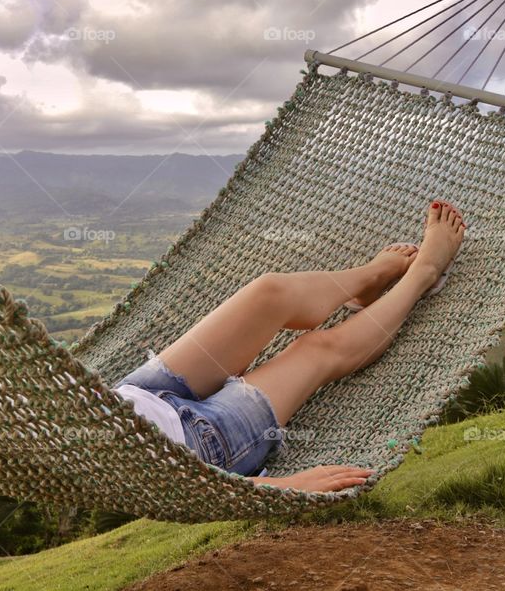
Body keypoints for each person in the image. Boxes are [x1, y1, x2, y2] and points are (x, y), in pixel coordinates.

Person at [113, 200, 466, 493]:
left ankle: (370, 279)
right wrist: (278, 486)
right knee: (313, 349)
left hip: (135, 397)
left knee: (269, 292)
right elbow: (155, 488)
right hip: (196, 447)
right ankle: (425, 272)